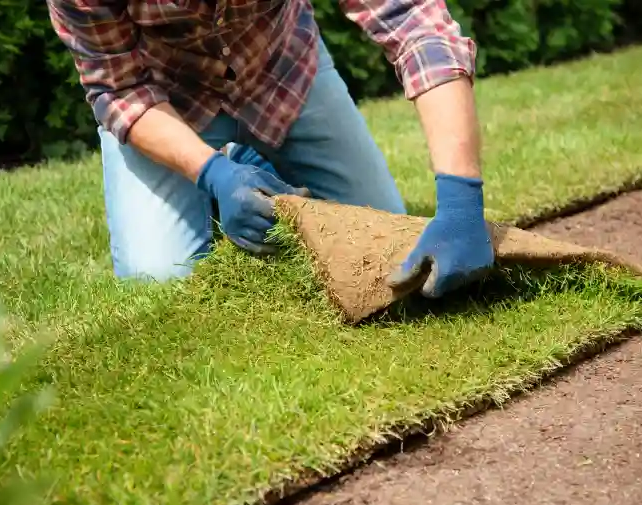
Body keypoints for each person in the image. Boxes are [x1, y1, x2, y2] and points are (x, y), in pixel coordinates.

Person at [46, 0, 495, 299]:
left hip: (281, 71)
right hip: (166, 101)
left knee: (384, 245)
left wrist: (460, 200)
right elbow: (120, 88)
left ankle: (252, 160)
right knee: (159, 281)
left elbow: (413, 18)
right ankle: (225, 172)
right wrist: (211, 173)